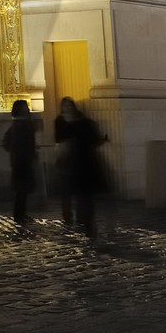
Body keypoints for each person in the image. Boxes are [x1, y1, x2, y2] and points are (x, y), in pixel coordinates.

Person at [54, 97, 108, 240]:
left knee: (84, 197)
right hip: (79, 165)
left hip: (80, 165)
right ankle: (84, 223)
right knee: (82, 197)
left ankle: (86, 224)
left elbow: (62, 146)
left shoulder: (76, 126)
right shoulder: (69, 123)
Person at [1, 99, 38, 226]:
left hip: (18, 161)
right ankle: (19, 215)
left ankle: (20, 214)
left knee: (21, 190)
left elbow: (5, 143)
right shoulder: (25, 125)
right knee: (22, 190)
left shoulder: (14, 126)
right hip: (24, 161)